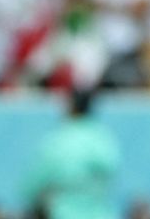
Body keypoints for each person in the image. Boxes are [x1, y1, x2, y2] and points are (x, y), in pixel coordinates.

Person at [22, 89, 121, 219]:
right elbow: (112, 170)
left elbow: (36, 180)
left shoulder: (59, 140)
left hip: (63, 212)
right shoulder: (103, 138)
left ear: (70, 107)